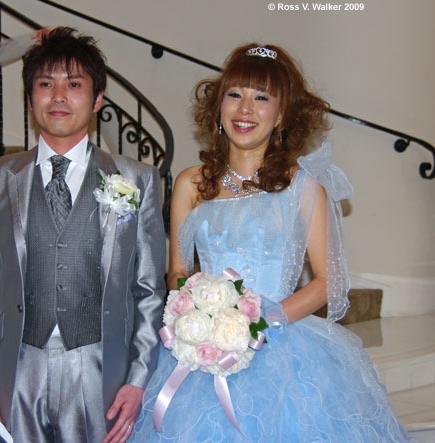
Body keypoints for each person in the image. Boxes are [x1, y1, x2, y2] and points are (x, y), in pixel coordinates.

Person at [130, 44, 413, 441]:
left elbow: (328, 282)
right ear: (218, 108)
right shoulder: (190, 183)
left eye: (261, 98)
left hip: (284, 344)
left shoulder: (303, 185)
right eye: (235, 95)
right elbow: (178, 270)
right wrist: (197, 319)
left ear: (280, 115)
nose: (245, 109)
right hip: (202, 350)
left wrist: (255, 323)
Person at [0, 27, 166, 443]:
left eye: (74, 84)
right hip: (17, 369)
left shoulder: (138, 180)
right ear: (30, 98)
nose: (58, 96)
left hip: (101, 369)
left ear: (96, 100)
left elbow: (149, 290)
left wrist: (138, 378)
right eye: (45, 83)